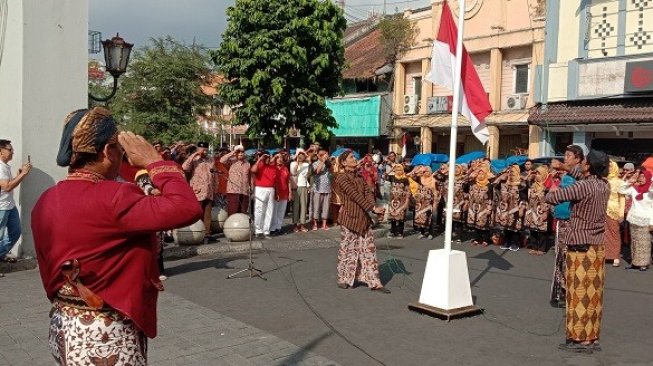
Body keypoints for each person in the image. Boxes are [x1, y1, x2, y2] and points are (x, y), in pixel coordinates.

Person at [32, 107, 202, 365]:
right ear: (106, 151)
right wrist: (155, 162)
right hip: (105, 331)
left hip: (64, 322)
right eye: (120, 150)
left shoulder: (46, 199)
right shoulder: (115, 197)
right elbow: (187, 208)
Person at [545, 149, 610, 354]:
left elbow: (554, 198)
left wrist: (547, 189)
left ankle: (579, 338)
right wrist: (565, 168)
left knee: (577, 294)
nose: (581, 165)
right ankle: (592, 337)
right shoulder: (604, 185)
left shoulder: (583, 187)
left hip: (580, 245)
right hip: (597, 245)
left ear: (588, 165)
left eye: (584, 162)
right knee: (594, 294)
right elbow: (581, 176)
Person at [334, 150, 389, 293]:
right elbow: (354, 195)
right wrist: (372, 208)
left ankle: (374, 281)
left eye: (354, 157)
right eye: (351, 157)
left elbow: (367, 193)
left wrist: (374, 207)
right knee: (348, 249)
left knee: (368, 250)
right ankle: (344, 278)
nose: (354, 159)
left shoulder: (359, 176)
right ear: (344, 162)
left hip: (364, 218)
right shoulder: (341, 178)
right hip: (350, 218)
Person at [547, 146, 584, 308]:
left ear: (578, 159)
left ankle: (568, 291)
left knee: (568, 257)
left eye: (569, 156)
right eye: (565, 155)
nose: (565, 158)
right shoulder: (567, 174)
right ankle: (560, 291)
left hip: (572, 222)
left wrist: (562, 167)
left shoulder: (581, 174)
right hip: (562, 219)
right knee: (560, 257)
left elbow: (577, 175)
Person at [0, 139, 31, 267]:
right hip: (1, 207)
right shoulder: (0, 167)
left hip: (9, 205)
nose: (12, 152)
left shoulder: (5, 166)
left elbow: (6, 184)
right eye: (9, 149)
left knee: (15, 232)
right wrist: (23, 174)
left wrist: (18, 175)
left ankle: (1, 253)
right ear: (0, 152)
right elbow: (7, 187)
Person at [619, 168, 653, 271]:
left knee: (644, 242)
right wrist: (630, 181)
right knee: (634, 242)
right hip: (634, 218)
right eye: (640, 176)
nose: (641, 178)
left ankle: (643, 263)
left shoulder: (650, 192)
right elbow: (621, 189)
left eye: (643, 176)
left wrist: (652, 222)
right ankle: (634, 262)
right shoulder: (634, 189)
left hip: (645, 220)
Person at [182, 142, 216, 242]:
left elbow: (214, 175)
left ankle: (207, 234)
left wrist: (216, 189)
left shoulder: (211, 159)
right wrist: (194, 155)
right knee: (197, 213)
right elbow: (184, 167)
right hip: (198, 191)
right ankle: (197, 233)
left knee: (207, 214)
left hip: (209, 190)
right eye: (202, 149)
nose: (204, 151)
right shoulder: (194, 159)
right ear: (198, 149)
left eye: (205, 149)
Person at [525, 166, 551, 255]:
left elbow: (549, 200)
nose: (536, 175)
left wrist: (546, 212)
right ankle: (534, 246)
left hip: (542, 211)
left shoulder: (547, 187)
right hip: (532, 211)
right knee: (533, 230)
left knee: (542, 230)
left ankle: (542, 248)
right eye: (536, 173)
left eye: (539, 174)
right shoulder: (533, 185)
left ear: (544, 175)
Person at [604, 161, 626, 267]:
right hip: (602, 209)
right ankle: (605, 255)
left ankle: (615, 256)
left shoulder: (619, 182)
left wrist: (621, 215)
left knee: (614, 233)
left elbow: (622, 200)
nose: (608, 168)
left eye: (610, 166)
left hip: (614, 210)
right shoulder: (603, 180)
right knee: (603, 234)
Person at [251, 152, 277, 239]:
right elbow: (253, 170)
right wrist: (260, 159)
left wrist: (272, 157)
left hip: (271, 189)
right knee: (259, 209)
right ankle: (258, 230)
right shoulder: (259, 165)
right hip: (260, 188)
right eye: (265, 157)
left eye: (268, 157)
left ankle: (266, 231)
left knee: (269, 210)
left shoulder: (273, 165)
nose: (267, 158)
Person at [220, 145, 251, 216]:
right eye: (238, 151)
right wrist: (234, 152)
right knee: (233, 212)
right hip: (233, 191)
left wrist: (251, 188)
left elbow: (249, 177)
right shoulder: (231, 161)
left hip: (244, 191)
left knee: (243, 213)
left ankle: (242, 227)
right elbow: (222, 160)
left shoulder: (247, 163)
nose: (240, 153)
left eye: (242, 151)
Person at [387, 164, 410, 239]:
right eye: (397, 170)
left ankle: (400, 232)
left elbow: (407, 190)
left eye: (400, 170)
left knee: (401, 217)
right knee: (393, 216)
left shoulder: (405, 179)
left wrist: (407, 200)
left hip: (402, 200)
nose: (398, 171)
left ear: (402, 170)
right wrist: (392, 168)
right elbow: (384, 176)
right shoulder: (392, 177)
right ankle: (392, 231)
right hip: (393, 200)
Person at [290, 149, 310, 232]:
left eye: (302, 154)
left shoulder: (307, 164)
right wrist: (298, 163)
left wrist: (309, 162)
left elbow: (308, 175)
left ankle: (302, 224)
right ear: (296, 155)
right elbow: (293, 172)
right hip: (296, 187)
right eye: (299, 154)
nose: (301, 156)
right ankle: (295, 224)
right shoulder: (293, 163)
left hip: (304, 186)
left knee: (304, 206)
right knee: (296, 206)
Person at [311, 149, 331, 230]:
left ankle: (324, 224)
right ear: (318, 156)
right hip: (318, 188)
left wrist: (328, 161)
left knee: (326, 207)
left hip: (327, 188)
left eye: (325, 154)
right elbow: (317, 171)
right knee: (316, 207)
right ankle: (315, 224)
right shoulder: (315, 163)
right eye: (322, 154)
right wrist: (322, 161)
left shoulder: (327, 163)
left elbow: (332, 171)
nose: (324, 156)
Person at [271, 153, 290, 235]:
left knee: (281, 211)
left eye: (281, 157)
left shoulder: (285, 168)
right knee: (274, 211)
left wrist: (290, 193)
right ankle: (272, 228)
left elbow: (288, 181)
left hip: (284, 192)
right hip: (275, 192)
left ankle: (278, 227)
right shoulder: (272, 168)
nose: (280, 159)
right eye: (277, 157)